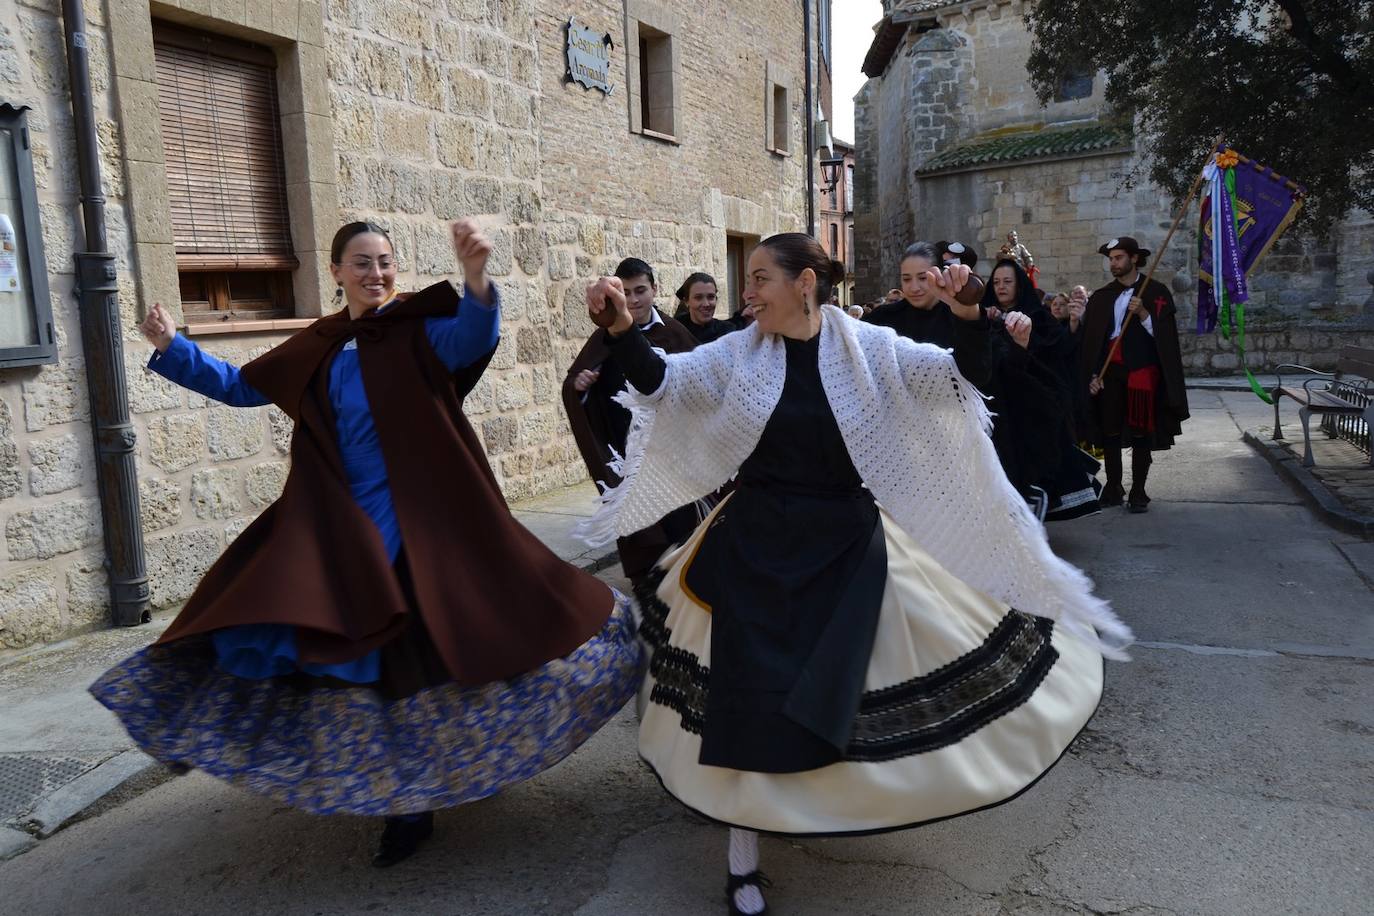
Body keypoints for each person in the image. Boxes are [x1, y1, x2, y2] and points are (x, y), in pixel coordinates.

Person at [581, 233, 1130, 915]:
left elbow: (959, 379)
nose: (746, 293)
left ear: (806, 282)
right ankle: (743, 860)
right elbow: (663, 380)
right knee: (746, 701)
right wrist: (618, 327)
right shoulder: (739, 353)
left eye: (760, 279)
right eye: (746, 281)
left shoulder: (868, 349)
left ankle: (823, 803)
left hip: (845, 542)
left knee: (840, 692)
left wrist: (966, 317)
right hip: (752, 546)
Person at [91, 220, 642, 868]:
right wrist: (172, 346)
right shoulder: (322, 344)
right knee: (363, 668)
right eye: (361, 262)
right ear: (335, 272)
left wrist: (474, 279)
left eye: (384, 262)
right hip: (343, 529)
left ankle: (446, 783)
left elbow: (471, 336)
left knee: (443, 654)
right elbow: (243, 386)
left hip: (424, 526)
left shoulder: (415, 330)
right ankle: (404, 805)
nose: (375, 273)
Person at [565, 258, 701, 588]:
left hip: (671, 450)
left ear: (654, 290)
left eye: (641, 290)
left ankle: (682, 582)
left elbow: (698, 383)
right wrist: (581, 386)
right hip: (625, 449)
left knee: (679, 522)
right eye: (625, 293)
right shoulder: (604, 336)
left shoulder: (674, 332)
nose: (634, 299)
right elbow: (576, 385)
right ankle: (647, 585)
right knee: (638, 524)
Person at [983, 259, 1101, 522]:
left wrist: (1071, 325)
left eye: (1008, 282)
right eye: (997, 282)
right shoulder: (982, 316)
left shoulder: (1037, 316)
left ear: (1019, 285)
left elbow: (1059, 351)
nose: (1001, 287)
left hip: (1032, 406)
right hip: (997, 404)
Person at [1080, 237, 1190, 513]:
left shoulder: (1155, 293)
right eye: (1111, 259)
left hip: (1142, 374)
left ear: (1134, 259)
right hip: (1111, 374)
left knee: (1142, 433)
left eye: (1118, 258)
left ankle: (1139, 491)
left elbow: (1164, 340)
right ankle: (1114, 487)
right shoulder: (1103, 296)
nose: (1113, 263)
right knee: (1110, 432)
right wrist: (1093, 373)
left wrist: (1143, 313)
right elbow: (1092, 341)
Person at [673, 271, 735, 343]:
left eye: (711, 297)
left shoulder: (727, 332)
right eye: (698, 297)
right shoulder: (674, 331)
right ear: (686, 301)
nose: (706, 304)